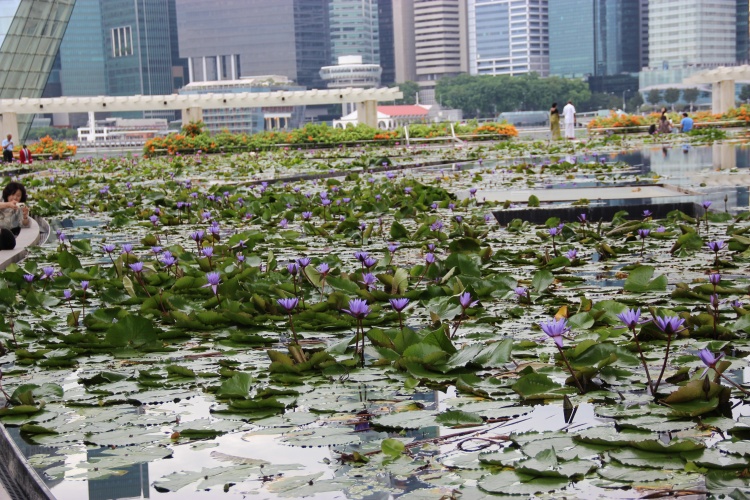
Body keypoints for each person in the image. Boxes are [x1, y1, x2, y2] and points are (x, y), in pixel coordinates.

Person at [0, 181, 30, 250]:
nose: (15, 198)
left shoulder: (19, 209)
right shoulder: (2, 203)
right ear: (7, 194)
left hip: (7, 237)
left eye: (18, 196)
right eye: (12, 195)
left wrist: (25, 216)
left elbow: (25, 224)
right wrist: (8, 205)